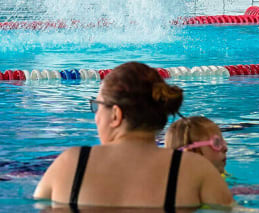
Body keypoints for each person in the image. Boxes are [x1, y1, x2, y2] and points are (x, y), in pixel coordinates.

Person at [33, 61, 233, 209]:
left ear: (115, 115)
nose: (96, 118)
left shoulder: (70, 165)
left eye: (97, 106)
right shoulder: (195, 170)